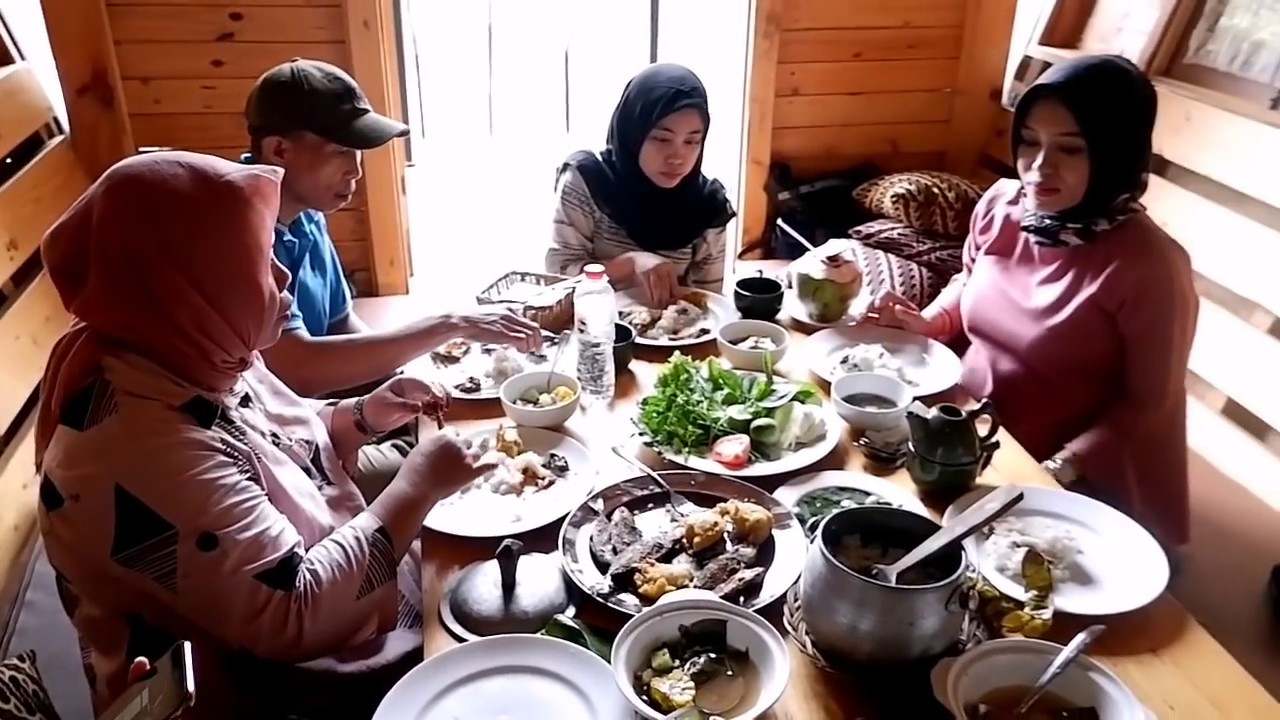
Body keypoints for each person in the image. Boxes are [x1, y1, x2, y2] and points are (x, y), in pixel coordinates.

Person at [36, 151, 494, 718]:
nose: (282, 276)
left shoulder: (187, 343)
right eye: (257, 259)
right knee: (485, 616)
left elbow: (271, 443)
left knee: (476, 567)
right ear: (188, 281)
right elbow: (293, 614)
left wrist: (360, 418)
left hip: (283, 616)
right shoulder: (137, 448)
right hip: (251, 683)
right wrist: (418, 486)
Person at [864, 55, 1198, 549]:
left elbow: (1148, 407)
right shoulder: (1002, 206)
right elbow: (969, 280)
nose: (1039, 168)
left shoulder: (1151, 267)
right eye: (1029, 142)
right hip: (962, 424)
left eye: (1071, 148)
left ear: (1116, 153)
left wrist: (1064, 465)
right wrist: (929, 322)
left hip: (1066, 470)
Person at [243, 58, 542, 399]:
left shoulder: (306, 214)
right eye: (341, 150)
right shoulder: (238, 234)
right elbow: (299, 370)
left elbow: (339, 324)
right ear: (279, 150)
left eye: (356, 152)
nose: (356, 171)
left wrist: (399, 380)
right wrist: (452, 324)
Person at [547, 63, 736, 306]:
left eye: (692, 142)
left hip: (670, 338)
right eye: (662, 138)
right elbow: (556, 282)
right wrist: (629, 264)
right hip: (592, 332)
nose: (677, 157)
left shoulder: (708, 207)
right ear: (632, 132)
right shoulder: (588, 183)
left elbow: (707, 304)